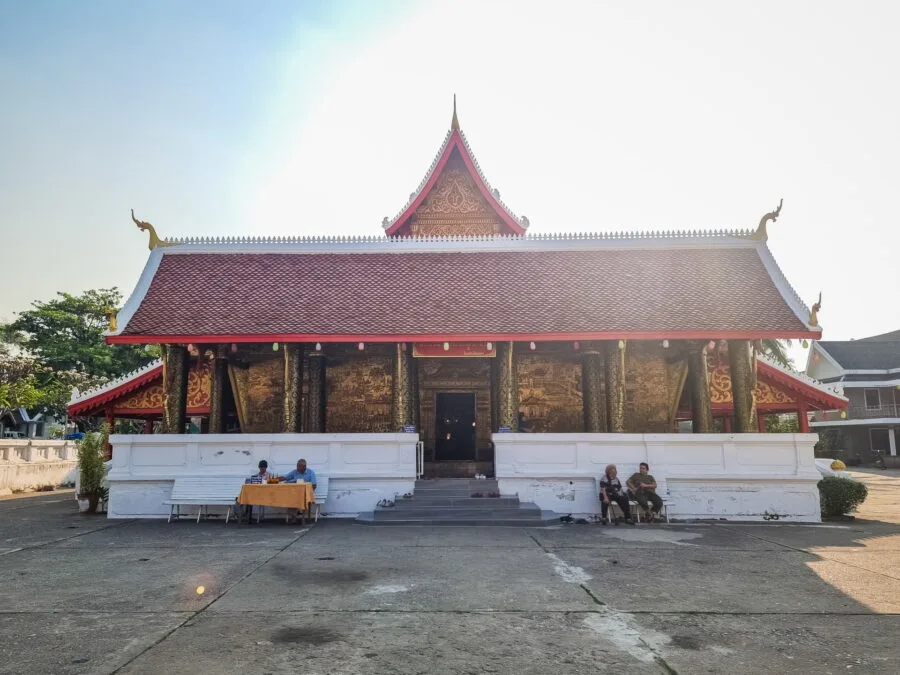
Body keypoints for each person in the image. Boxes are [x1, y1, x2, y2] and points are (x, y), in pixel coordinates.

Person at [283, 459, 317, 524]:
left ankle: (300, 517)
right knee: (289, 498)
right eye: (297, 466)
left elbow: (314, 485)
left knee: (300, 498)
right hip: (295, 493)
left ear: (304, 467)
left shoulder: (311, 473)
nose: (297, 468)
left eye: (299, 466)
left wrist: (308, 491)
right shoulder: (295, 472)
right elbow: (286, 478)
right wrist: (277, 479)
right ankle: (294, 515)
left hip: (306, 493)